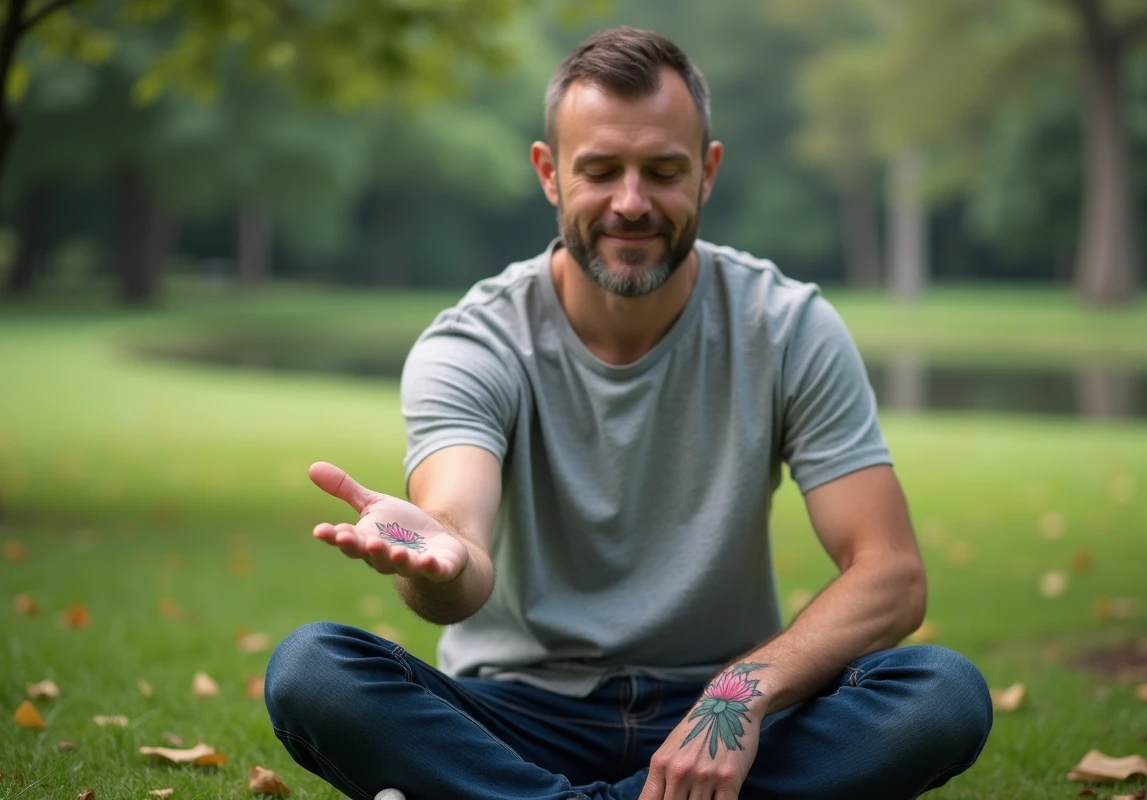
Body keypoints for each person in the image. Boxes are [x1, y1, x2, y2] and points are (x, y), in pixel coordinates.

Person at [265, 26, 992, 800]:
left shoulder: (787, 327)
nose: (632, 202)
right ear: (549, 173)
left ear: (708, 172)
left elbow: (890, 573)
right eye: (601, 170)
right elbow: (459, 544)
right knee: (314, 670)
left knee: (940, 693)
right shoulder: (473, 342)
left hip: (721, 708)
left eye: (663, 171)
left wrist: (740, 693)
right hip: (514, 711)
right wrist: (438, 561)